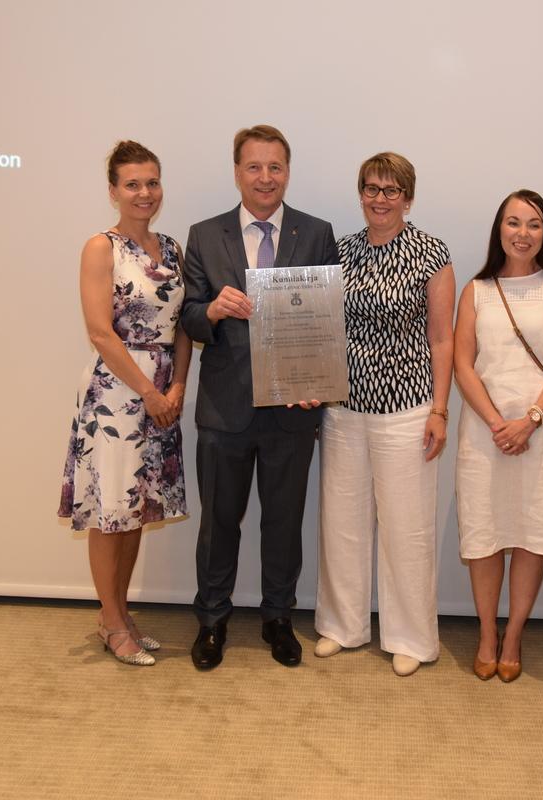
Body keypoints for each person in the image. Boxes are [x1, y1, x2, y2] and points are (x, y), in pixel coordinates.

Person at [180, 125, 339, 670]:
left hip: (292, 411)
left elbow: (326, 319)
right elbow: (188, 319)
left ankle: (278, 618)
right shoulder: (205, 235)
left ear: (287, 172)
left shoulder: (316, 232)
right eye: (254, 167)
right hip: (224, 409)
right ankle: (212, 620)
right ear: (237, 173)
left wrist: (316, 382)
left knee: (284, 522)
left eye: (275, 167)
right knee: (218, 524)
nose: (265, 177)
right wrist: (212, 310)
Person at [312, 152, 455, 677]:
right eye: (371, 188)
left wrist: (440, 409)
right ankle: (341, 625)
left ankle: (411, 637)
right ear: (361, 194)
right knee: (342, 522)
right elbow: (321, 328)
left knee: (406, 528)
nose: (380, 199)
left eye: (391, 190)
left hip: (407, 409)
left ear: (407, 198)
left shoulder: (431, 253)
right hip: (344, 409)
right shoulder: (341, 251)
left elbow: (442, 338)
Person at [58, 140, 190, 666]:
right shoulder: (101, 247)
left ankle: (122, 613)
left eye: (151, 182)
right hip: (117, 394)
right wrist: (150, 391)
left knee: (137, 508)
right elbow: (100, 332)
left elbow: (183, 325)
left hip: (163, 392)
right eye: (132, 184)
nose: (144, 192)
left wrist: (177, 387)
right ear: (113, 191)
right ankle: (111, 620)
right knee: (109, 510)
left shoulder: (173, 248)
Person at [453, 190, 543, 683]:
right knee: (485, 535)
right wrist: (496, 423)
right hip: (484, 434)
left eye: (534, 224)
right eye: (513, 222)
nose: (522, 233)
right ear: (499, 229)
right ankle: (487, 633)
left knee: (532, 535)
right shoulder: (476, 291)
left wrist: (530, 420)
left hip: (541, 434)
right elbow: (463, 364)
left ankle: (514, 635)